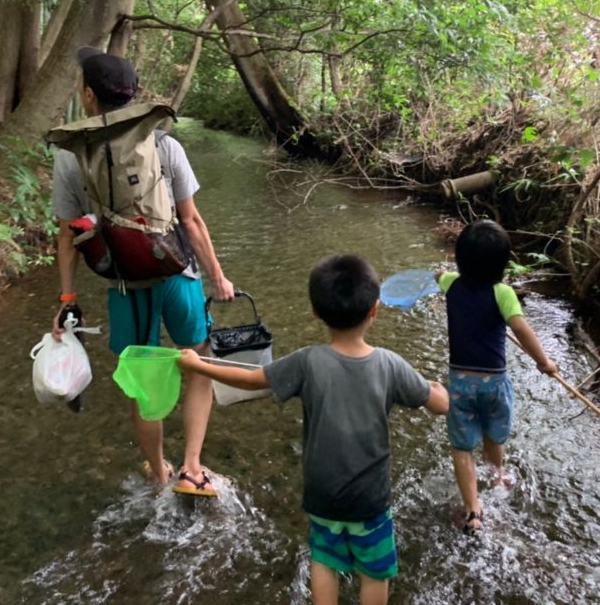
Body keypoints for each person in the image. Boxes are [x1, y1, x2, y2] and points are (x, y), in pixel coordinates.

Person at [178, 254, 449, 605]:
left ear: (316, 313)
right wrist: (439, 388)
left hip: (323, 494)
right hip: (370, 497)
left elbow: (249, 380)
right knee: (375, 570)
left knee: (325, 562)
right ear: (374, 311)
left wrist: (200, 364)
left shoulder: (307, 361)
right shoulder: (390, 365)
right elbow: (439, 405)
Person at [50, 47, 234, 496]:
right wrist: (218, 276)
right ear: (133, 95)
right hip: (177, 275)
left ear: (89, 96)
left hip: (125, 285)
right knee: (199, 363)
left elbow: (68, 236)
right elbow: (191, 220)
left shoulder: (71, 158)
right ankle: (193, 467)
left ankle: (158, 472)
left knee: (144, 381)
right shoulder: (164, 145)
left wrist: (67, 300)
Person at [435, 219, 558, 536]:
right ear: (503, 265)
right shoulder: (503, 293)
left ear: (460, 259)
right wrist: (544, 363)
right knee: (493, 434)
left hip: (460, 383)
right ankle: (498, 474)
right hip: (494, 384)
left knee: (462, 448)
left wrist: (439, 274)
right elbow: (520, 328)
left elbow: (439, 276)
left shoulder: (451, 283)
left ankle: (473, 511)